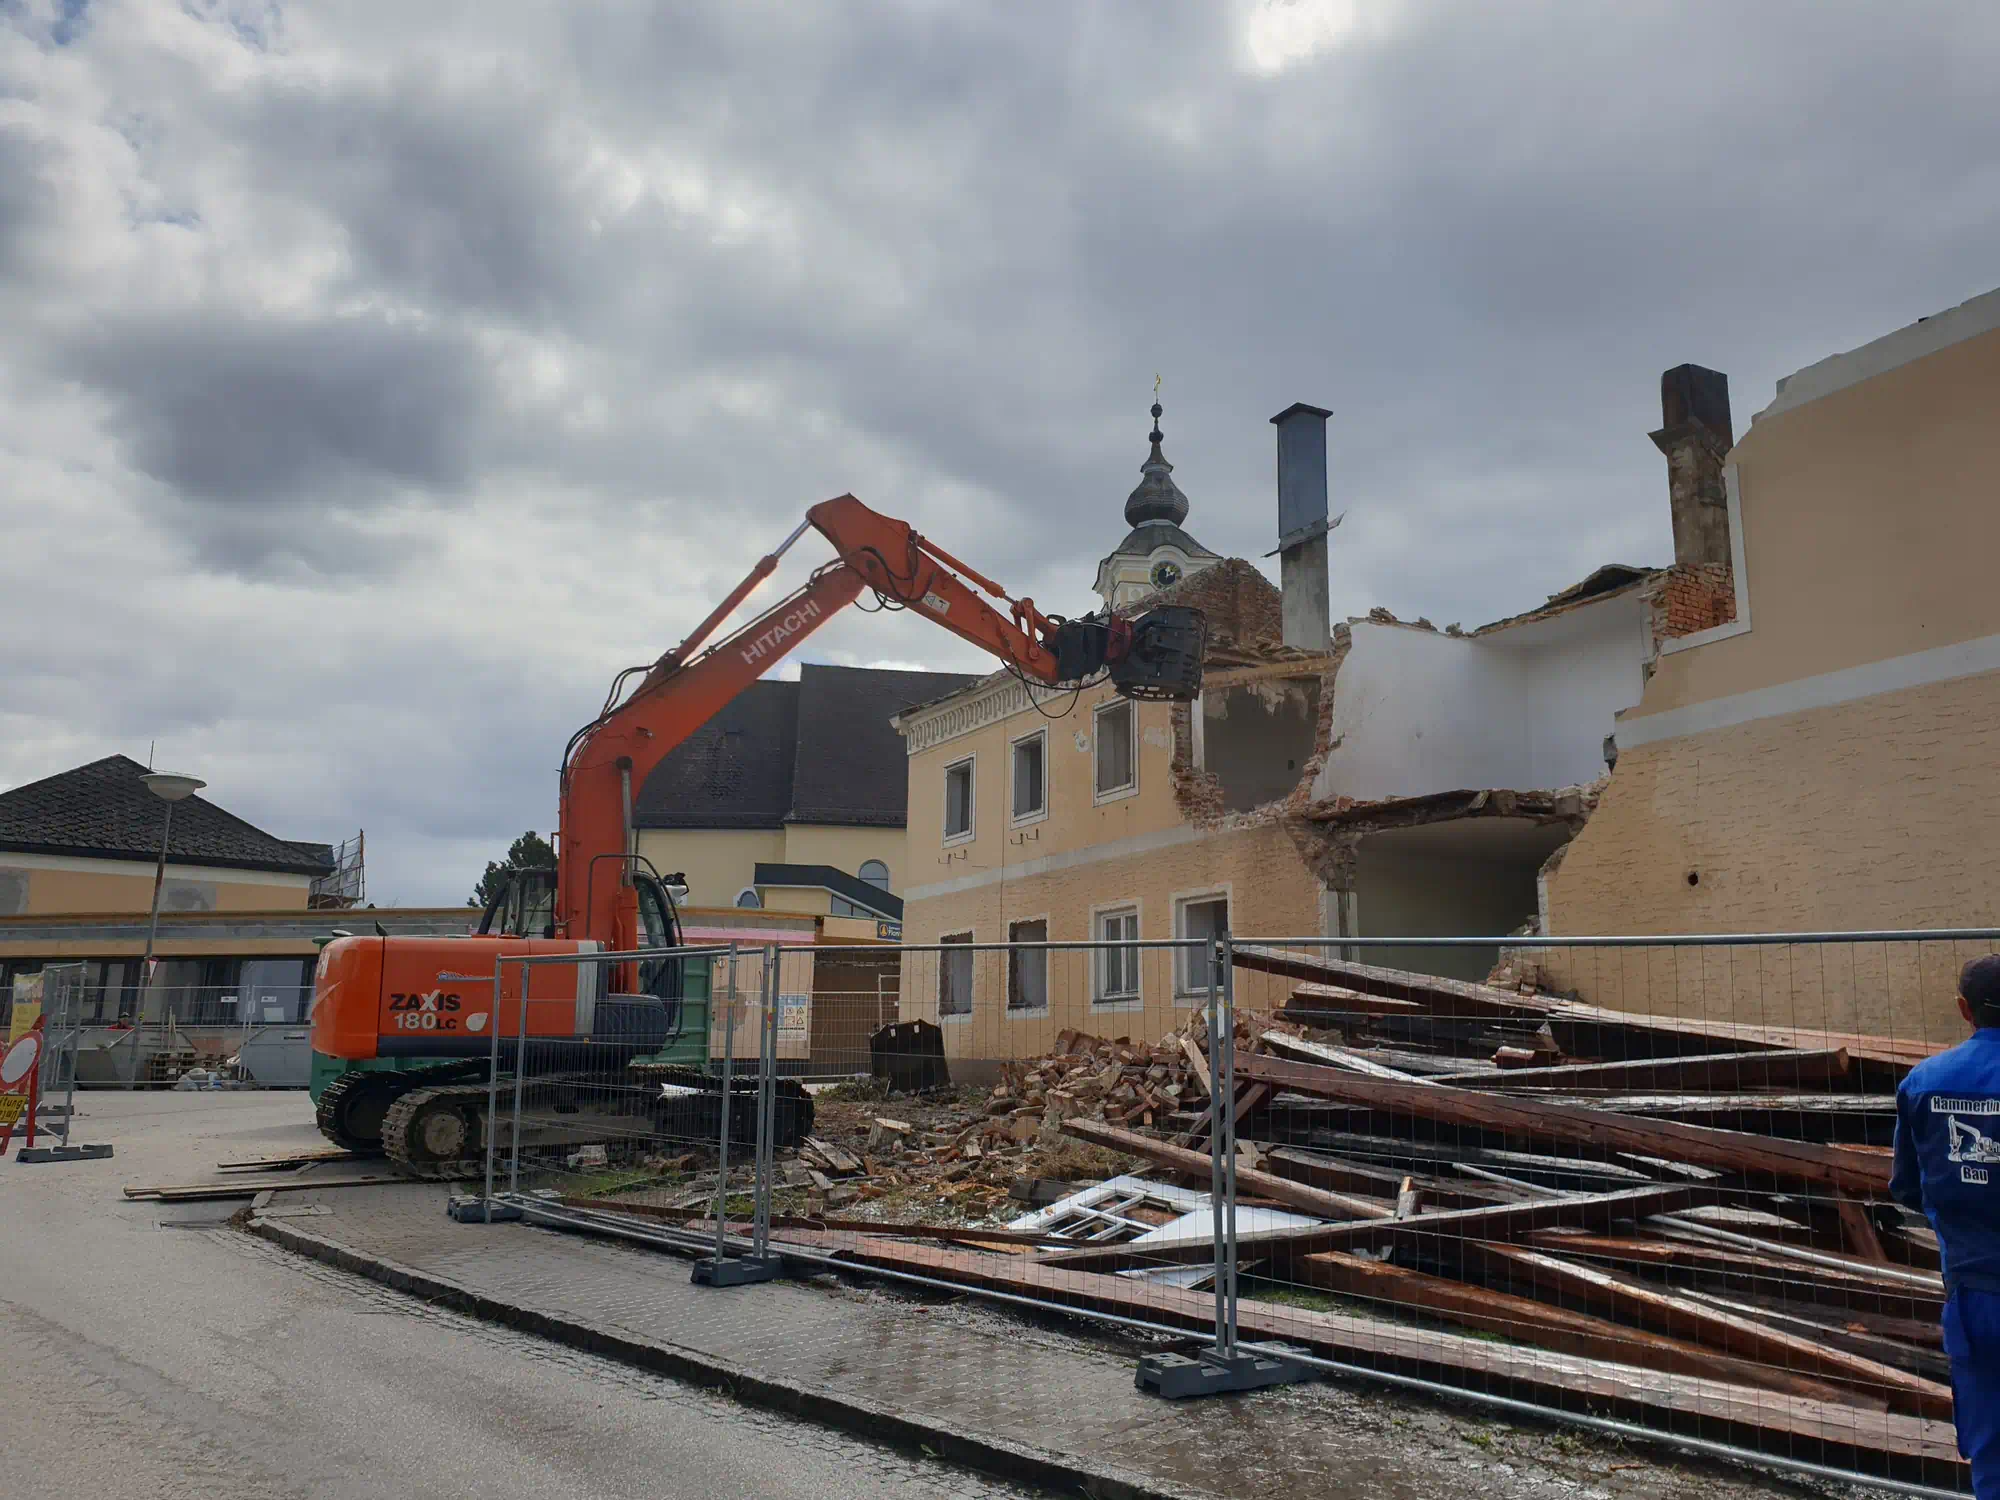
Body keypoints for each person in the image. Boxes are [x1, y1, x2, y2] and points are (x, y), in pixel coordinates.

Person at [1892, 954, 2000, 1497]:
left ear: (1964, 1010)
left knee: (1989, 1446)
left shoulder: (1923, 1084)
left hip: (1973, 1296)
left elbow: (1907, 1186)